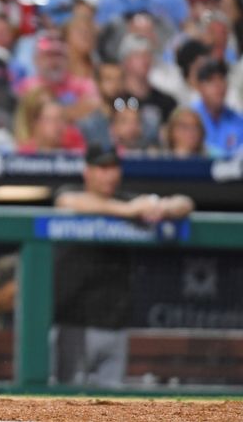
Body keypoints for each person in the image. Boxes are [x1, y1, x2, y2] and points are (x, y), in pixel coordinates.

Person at [52, 145, 193, 387]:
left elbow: (185, 202)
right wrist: (128, 211)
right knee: (67, 401)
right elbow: (66, 202)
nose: (109, 174)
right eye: (102, 168)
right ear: (88, 171)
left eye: (114, 168)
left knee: (113, 405)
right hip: (74, 326)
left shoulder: (128, 199)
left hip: (115, 325)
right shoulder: (73, 194)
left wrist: (163, 208)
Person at [191, 59, 243, 157]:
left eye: (221, 78)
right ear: (199, 86)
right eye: (211, 80)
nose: (218, 85)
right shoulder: (189, 119)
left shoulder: (239, 121)